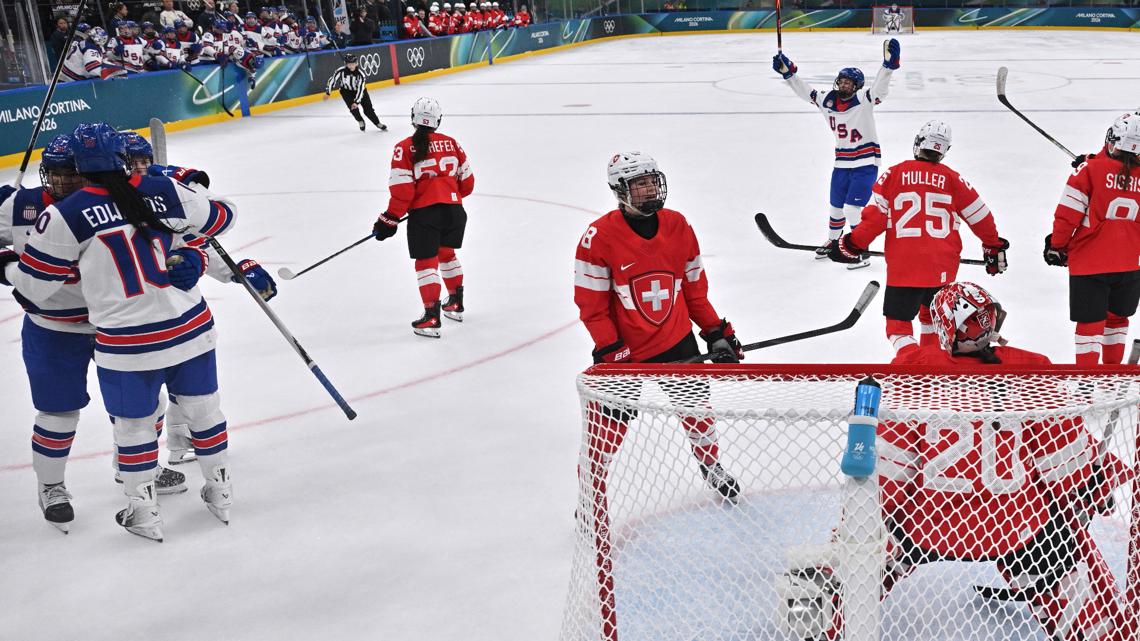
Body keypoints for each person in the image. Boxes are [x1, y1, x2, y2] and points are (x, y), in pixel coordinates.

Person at [777, 282, 1127, 641]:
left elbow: (889, 470)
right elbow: (1065, 462)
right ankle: (1096, 631)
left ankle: (819, 626)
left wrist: (856, 531)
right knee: (1062, 559)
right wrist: (1094, 484)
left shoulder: (915, 371)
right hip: (1015, 527)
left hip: (927, 525)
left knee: (856, 559)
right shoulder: (1031, 369)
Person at [1, 123, 252, 541]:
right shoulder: (22, 206)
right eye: (55, 171)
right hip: (59, 328)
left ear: (86, 170)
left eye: (72, 171)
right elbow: (204, 225)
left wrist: (7, 266)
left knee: (140, 413)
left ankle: (136, 477)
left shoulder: (73, 211)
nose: (63, 180)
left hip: (118, 330)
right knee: (59, 414)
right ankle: (52, 486)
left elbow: (183, 242)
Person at [572, 151, 745, 499]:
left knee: (698, 411)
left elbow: (695, 291)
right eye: (640, 184)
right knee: (608, 429)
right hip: (623, 353)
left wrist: (716, 333)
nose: (650, 190)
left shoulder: (679, 225)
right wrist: (611, 350)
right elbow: (591, 307)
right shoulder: (598, 237)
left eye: (653, 182)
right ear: (620, 190)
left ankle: (711, 467)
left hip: (676, 340)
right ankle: (590, 495)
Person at [827, 120, 1008, 354]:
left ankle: (912, 364)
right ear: (944, 151)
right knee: (932, 316)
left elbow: (875, 220)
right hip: (942, 266)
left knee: (898, 327)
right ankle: (931, 365)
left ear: (918, 143)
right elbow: (981, 217)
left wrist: (850, 245)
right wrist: (993, 246)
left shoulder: (894, 174)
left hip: (904, 266)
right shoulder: (954, 180)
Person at [773, 39, 900, 267]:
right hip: (842, 163)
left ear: (857, 86)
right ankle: (833, 242)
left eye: (849, 83)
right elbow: (806, 92)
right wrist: (789, 74)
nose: (843, 85)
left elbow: (880, 88)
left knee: (853, 209)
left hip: (865, 163)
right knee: (835, 208)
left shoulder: (863, 100)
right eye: (841, 81)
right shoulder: (827, 99)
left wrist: (888, 66)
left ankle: (860, 251)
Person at [372, 98, 472, 337]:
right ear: (438, 120)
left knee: (426, 263)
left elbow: (402, 190)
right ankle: (455, 304)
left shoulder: (404, 147)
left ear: (413, 119)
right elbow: (467, 184)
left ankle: (431, 317)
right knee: (447, 255)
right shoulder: (452, 144)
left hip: (426, 216)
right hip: (455, 212)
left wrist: (389, 219)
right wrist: (446, 197)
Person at [1046, 113, 1140, 366]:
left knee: (1090, 324)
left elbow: (1067, 216)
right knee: (1117, 321)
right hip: (1130, 264)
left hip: (1091, 265)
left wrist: (1057, 246)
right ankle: (1111, 385)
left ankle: (1086, 390)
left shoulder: (1089, 171)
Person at [324, 53, 387, 132]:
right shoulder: (340, 71)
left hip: (360, 92)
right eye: (349, 64)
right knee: (353, 109)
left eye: (353, 64)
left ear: (356, 63)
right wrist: (328, 92)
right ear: (345, 64)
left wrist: (356, 102)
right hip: (346, 91)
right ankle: (360, 120)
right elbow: (332, 80)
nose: (351, 66)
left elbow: (361, 89)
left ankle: (377, 123)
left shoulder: (361, 75)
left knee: (368, 109)